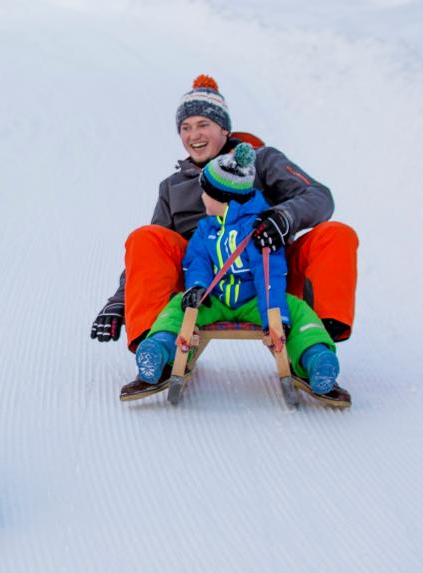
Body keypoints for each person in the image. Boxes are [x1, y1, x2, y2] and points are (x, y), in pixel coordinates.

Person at [90, 74, 357, 399]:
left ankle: (314, 352)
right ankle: (158, 353)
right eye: (185, 127)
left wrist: (283, 217)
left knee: (336, 235)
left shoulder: (262, 160)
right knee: (145, 236)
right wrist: (119, 300)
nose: (194, 135)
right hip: (202, 290)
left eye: (203, 124)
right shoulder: (173, 187)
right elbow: (146, 252)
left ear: (224, 129)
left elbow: (320, 197)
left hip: (269, 277)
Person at [133, 144, 341, 395]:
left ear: (224, 201)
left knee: (299, 313)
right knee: (176, 308)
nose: (200, 198)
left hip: (255, 300)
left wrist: (276, 319)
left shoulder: (258, 231)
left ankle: (316, 359)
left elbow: (268, 276)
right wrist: (197, 288)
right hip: (215, 298)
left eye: (205, 193)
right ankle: (158, 349)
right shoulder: (206, 228)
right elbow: (196, 261)